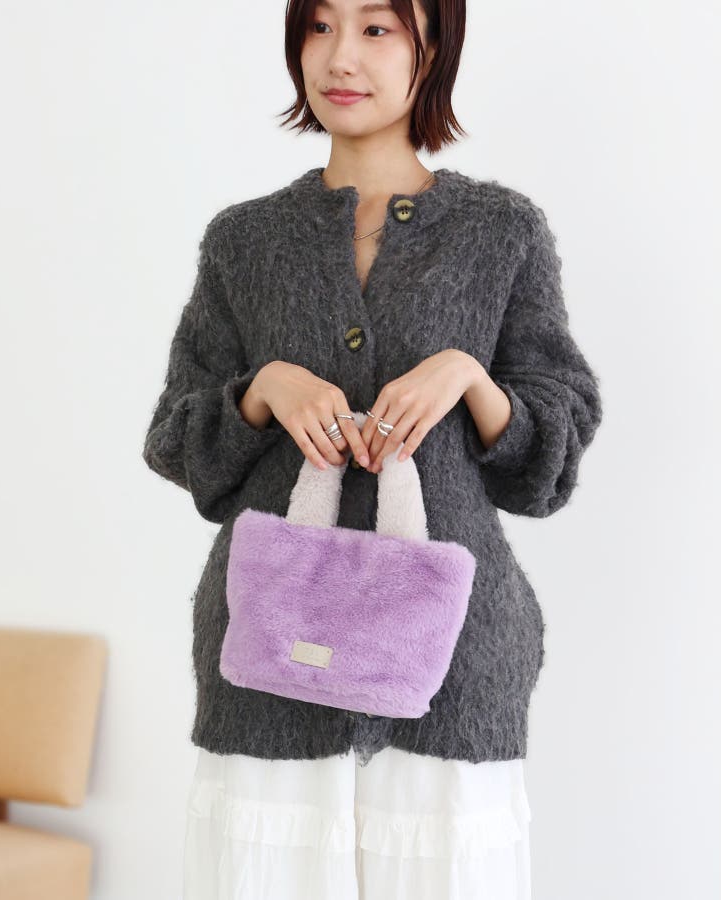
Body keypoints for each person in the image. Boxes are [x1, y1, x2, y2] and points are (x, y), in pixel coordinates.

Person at [142, 1, 603, 897]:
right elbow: (176, 441)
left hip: (452, 668)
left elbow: (552, 455)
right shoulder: (244, 241)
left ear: (434, 48)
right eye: (318, 27)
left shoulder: (501, 232)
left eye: (377, 28)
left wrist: (470, 379)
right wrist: (260, 391)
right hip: (272, 664)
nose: (339, 57)